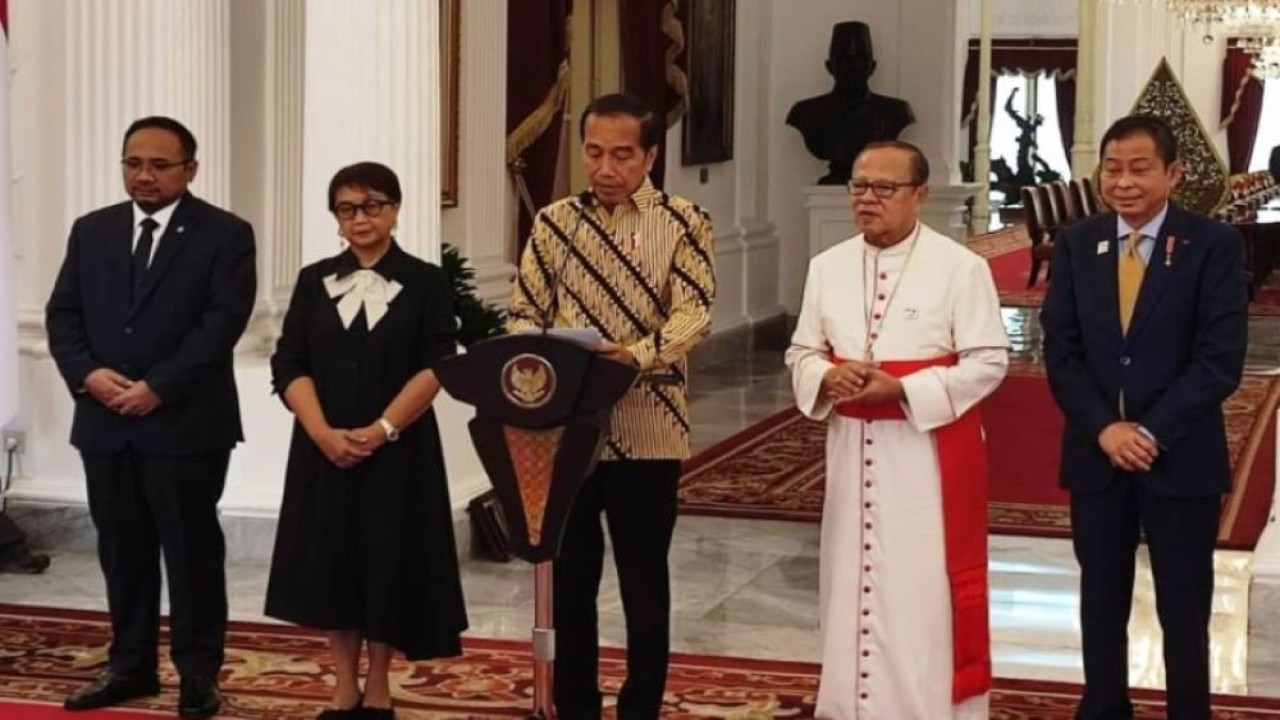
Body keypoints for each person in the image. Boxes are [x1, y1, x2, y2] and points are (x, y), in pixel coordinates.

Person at [507, 92, 715, 720]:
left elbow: (696, 312)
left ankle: (640, 705)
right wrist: (538, 353)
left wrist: (640, 353)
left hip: (649, 424)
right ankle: (575, 705)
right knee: (570, 578)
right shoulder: (554, 223)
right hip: (568, 427)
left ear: (650, 154)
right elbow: (524, 311)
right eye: (594, 153)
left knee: (643, 578)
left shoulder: (684, 221)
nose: (605, 168)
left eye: (622, 155)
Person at [785, 140, 1008, 719]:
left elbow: (989, 361)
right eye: (859, 186)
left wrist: (905, 390)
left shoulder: (962, 268)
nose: (868, 199)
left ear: (920, 196)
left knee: (920, 593)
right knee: (849, 582)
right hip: (851, 454)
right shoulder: (826, 266)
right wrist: (828, 374)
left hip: (926, 460)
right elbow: (801, 351)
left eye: (884, 188)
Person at [45, 116, 256, 718]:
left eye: (159, 165)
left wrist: (158, 387)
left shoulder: (225, 234)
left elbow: (221, 324)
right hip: (105, 422)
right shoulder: (92, 232)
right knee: (122, 548)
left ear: (190, 169)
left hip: (184, 424)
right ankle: (129, 667)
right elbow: (63, 316)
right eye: (133, 163)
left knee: (190, 551)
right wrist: (87, 374)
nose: (144, 175)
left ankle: (197, 675)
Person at [1041, 115, 1248, 719]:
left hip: (1180, 457)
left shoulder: (1211, 244)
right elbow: (1061, 349)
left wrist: (1150, 432)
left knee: (1184, 606)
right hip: (1095, 455)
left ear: (1173, 173)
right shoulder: (1079, 243)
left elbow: (1219, 361)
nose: (1124, 182)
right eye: (1112, 168)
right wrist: (1105, 428)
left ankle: (1189, 710)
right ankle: (1103, 706)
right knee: (1099, 598)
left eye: (1139, 168)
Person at [265, 162, 468, 720]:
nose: (360, 218)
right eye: (347, 208)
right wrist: (322, 433)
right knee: (333, 562)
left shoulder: (426, 280)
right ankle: (343, 685)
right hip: (324, 450)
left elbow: (439, 362)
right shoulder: (313, 280)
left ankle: (378, 685)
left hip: (398, 452)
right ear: (336, 218)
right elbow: (290, 363)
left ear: (396, 210)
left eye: (373, 205)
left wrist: (382, 430)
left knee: (386, 562)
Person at [786, 21, 915, 185]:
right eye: (845, 60)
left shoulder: (895, 112)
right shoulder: (805, 113)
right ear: (830, 66)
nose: (852, 68)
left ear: (872, 67)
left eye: (860, 60)